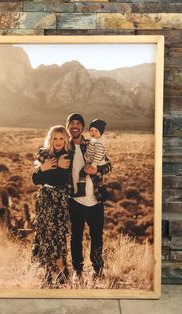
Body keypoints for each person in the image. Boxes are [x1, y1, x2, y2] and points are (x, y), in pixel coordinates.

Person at [62, 113, 112, 280]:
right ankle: (78, 270)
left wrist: (97, 170)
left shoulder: (91, 144)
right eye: (72, 123)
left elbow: (108, 165)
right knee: (76, 237)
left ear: (82, 127)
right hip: (75, 200)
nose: (75, 126)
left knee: (96, 236)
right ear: (68, 126)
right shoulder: (64, 147)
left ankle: (97, 270)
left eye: (78, 123)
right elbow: (45, 150)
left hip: (95, 199)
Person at [32, 125, 72, 286]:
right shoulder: (46, 155)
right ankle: (48, 272)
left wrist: (44, 169)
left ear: (66, 140)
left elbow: (59, 180)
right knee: (44, 233)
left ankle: (62, 270)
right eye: (55, 138)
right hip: (44, 199)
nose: (58, 141)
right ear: (51, 139)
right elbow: (35, 180)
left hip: (58, 200)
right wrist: (43, 168)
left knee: (56, 234)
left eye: (61, 138)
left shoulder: (67, 156)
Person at [74, 118, 107, 197]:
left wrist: (95, 167)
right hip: (74, 202)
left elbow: (106, 163)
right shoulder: (93, 141)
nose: (93, 133)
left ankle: (81, 191)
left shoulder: (96, 143)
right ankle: (103, 192)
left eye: (96, 131)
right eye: (91, 130)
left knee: (83, 173)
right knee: (97, 178)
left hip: (94, 164)